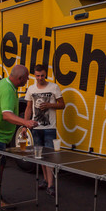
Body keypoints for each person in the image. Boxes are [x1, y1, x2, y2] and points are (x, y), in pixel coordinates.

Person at [0, 65, 38, 207]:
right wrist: (25, 122)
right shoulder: (8, 90)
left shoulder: (4, 82)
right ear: (20, 78)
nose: (28, 79)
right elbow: (6, 115)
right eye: (27, 77)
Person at [24, 64, 65, 196]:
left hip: (49, 127)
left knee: (50, 157)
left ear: (45, 74)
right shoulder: (31, 89)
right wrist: (25, 125)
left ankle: (51, 185)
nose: (40, 78)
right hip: (36, 127)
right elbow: (28, 108)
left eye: (42, 75)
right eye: (37, 76)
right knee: (39, 156)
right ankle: (46, 181)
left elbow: (62, 105)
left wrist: (50, 105)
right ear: (34, 75)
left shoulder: (54, 87)